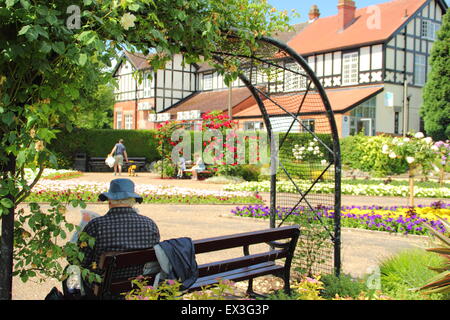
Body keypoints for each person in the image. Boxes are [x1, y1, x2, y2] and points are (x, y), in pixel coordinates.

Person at [77, 178, 160, 297]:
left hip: (102, 289)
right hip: (137, 287)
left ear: (110, 200)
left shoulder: (96, 225)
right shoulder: (150, 224)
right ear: (132, 201)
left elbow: (81, 261)